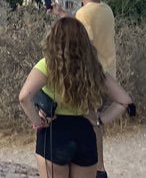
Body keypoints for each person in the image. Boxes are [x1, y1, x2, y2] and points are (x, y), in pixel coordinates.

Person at [18, 17, 132, 178]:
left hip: (54, 133)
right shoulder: (93, 68)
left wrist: (38, 122)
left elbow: (24, 97)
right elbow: (124, 101)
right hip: (84, 132)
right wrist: (99, 120)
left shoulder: (48, 65)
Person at [51, 0, 115, 177]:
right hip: (108, 72)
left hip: (92, 75)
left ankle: (97, 168)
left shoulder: (84, 13)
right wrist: (63, 14)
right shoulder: (105, 9)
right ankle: (98, 167)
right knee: (94, 121)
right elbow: (84, 27)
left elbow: (81, 41)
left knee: (90, 122)